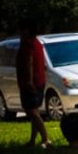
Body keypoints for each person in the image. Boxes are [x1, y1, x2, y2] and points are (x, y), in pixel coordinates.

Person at [16, 18, 49, 146]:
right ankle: (32, 140)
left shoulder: (27, 44)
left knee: (32, 112)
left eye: (21, 29)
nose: (20, 32)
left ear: (26, 30)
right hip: (39, 81)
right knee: (34, 112)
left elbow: (29, 62)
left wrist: (28, 81)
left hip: (30, 83)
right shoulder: (37, 43)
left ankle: (45, 138)